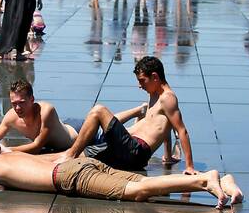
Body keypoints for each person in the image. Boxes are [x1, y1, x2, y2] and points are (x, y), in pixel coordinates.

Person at [0, 133, 242, 208]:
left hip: (70, 178)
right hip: (76, 164)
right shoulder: (8, 156)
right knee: (139, 186)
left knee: (136, 191)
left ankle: (205, 180)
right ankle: (225, 181)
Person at [64, 55, 196, 174]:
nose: (139, 85)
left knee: (98, 111)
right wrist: (167, 157)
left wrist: (189, 166)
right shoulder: (154, 94)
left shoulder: (168, 98)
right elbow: (164, 127)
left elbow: (181, 130)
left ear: (155, 77)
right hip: (127, 150)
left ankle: (71, 154)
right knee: (67, 157)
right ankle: (66, 155)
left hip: (135, 151)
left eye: (142, 80)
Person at [0, 78, 78, 153]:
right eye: (14, 103)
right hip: (59, 131)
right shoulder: (11, 116)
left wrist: (5, 150)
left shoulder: (45, 111)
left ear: (32, 99)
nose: (17, 108)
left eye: (22, 103)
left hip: (76, 133)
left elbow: (37, 147)